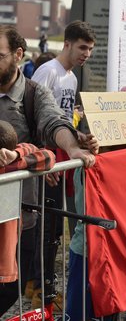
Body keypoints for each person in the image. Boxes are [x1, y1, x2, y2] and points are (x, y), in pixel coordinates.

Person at [0, 25, 97, 314]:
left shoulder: (33, 94)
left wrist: (73, 149)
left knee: (8, 288)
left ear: (18, 55)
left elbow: (54, 123)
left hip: (20, 215)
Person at [0, 121, 56, 317]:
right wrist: (16, 156)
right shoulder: (11, 167)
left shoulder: (9, 166)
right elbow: (47, 156)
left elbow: (48, 156)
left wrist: (15, 155)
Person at [32, 20, 96, 121]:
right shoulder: (48, 71)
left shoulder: (73, 79)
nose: (87, 54)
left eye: (90, 49)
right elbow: (31, 111)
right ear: (67, 45)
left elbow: (66, 119)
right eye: (82, 48)